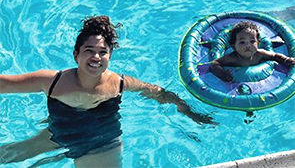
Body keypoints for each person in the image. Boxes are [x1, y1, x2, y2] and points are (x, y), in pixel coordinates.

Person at [0, 16, 216, 168]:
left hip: (101, 142)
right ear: (76, 55)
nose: (96, 57)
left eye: (103, 52)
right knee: (6, 156)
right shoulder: (53, 81)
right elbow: (5, 84)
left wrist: (189, 112)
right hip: (59, 134)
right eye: (89, 51)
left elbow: (159, 93)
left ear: (110, 56)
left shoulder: (119, 83)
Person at [210, 21, 295, 82]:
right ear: (233, 46)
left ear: (258, 43)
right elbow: (215, 63)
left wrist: (286, 59)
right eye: (242, 42)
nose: (248, 45)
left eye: (252, 41)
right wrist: (223, 74)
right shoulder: (232, 58)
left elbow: (274, 56)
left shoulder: (260, 53)